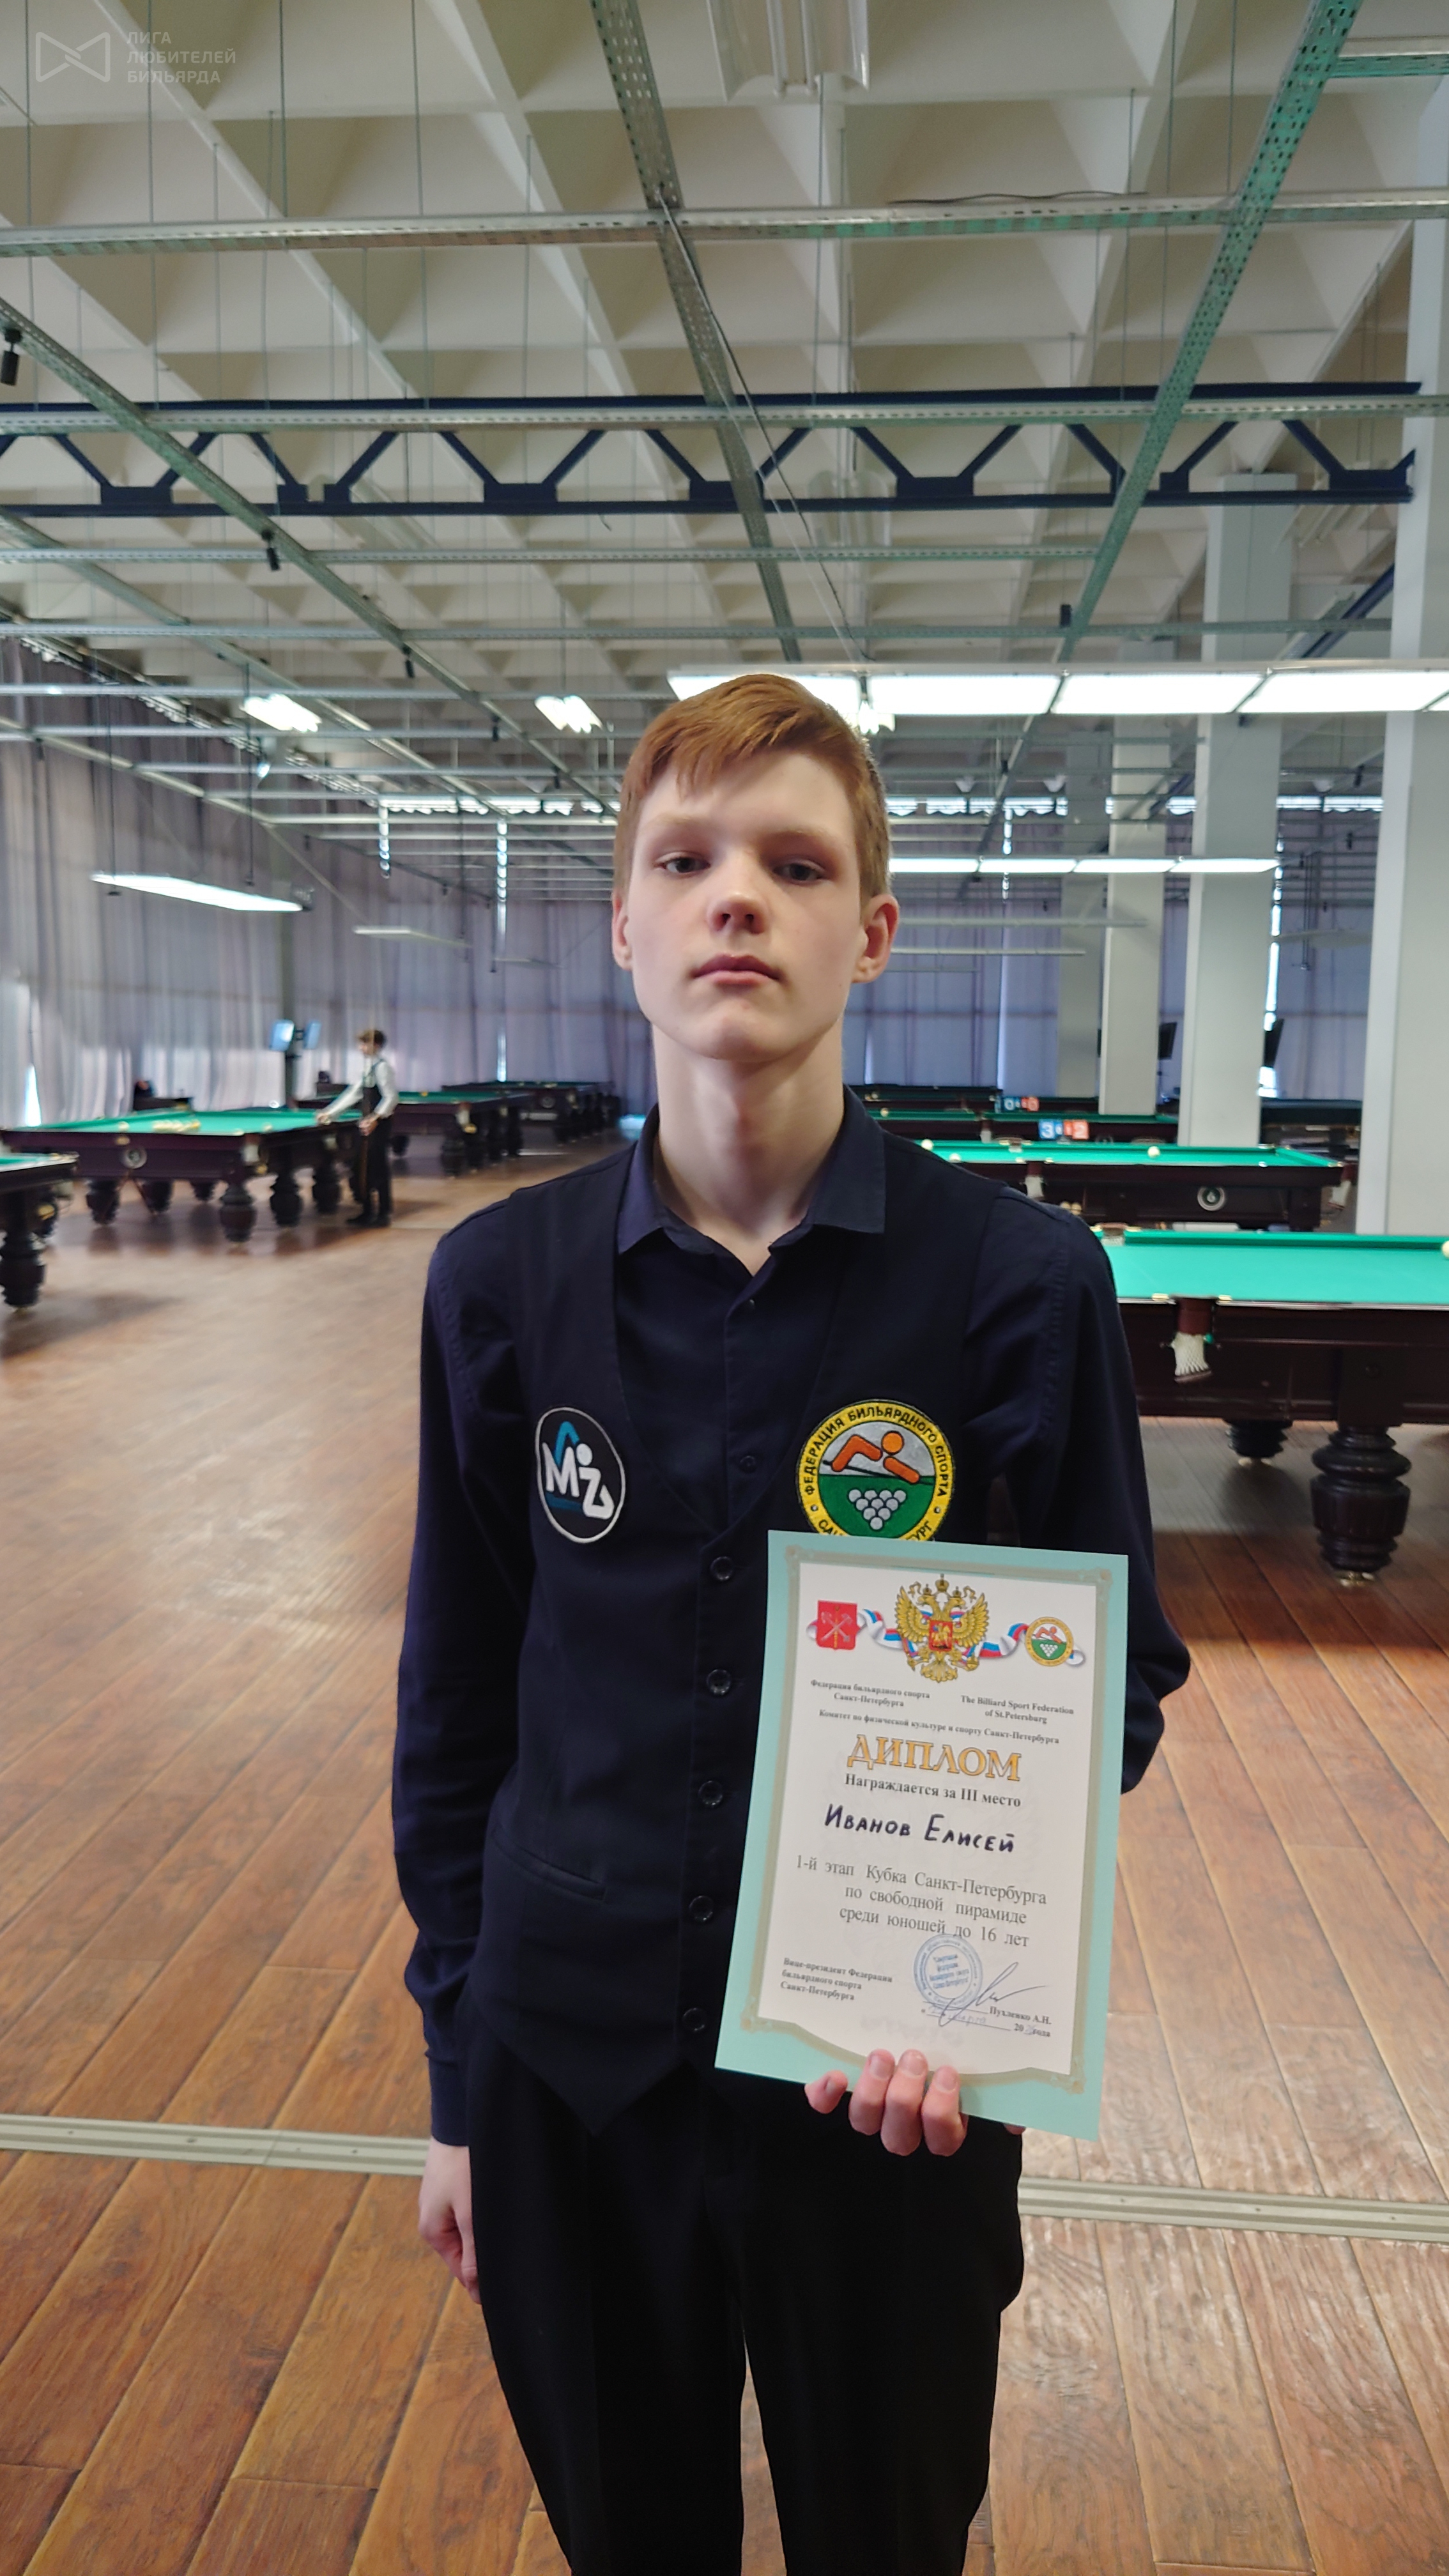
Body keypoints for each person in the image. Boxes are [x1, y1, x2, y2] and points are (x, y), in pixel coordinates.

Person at [394, 676, 1188, 2576]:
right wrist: (460, 2087)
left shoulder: (1022, 1286)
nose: (735, 896)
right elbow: (459, 1697)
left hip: (887, 2101)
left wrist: (958, 1984)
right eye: (684, 861)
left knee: (887, 2541)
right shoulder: (498, 1286)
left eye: (796, 864)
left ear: (873, 931)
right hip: (570, 2075)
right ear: (625, 925)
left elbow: (1115, 1683)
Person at [318, 1026, 399, 1227]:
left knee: (377, 1167)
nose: (361, 1048)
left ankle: (383, 1213)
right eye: (361, 1044)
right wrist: (330, 1112)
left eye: (365, 1044)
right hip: (366, 1124)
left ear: (376, 1045)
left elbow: (391, 1098)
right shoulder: (368, 1067)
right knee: (361, 1167)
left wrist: (375, 1118)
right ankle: (367, 1210)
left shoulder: (382, 1067)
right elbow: (354, 1094)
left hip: (378, 1125)